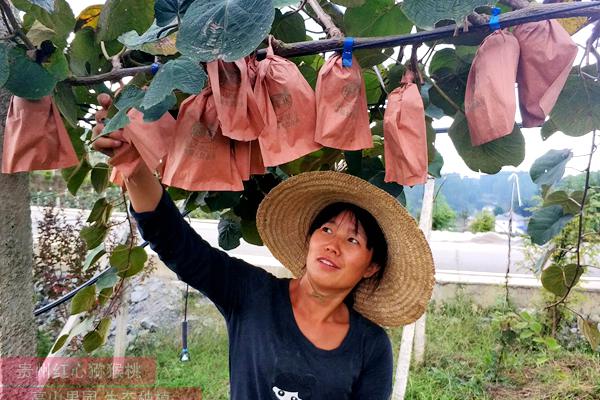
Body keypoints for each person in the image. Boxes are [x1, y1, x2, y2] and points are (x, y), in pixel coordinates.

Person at [93, 94, 435, 399]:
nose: (333, 245)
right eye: (327, 229)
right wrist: (134, 167)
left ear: (372, 265)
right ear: (309, 238)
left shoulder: (370, 346)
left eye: (352, 240)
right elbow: (174, 242)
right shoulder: (251, 293)